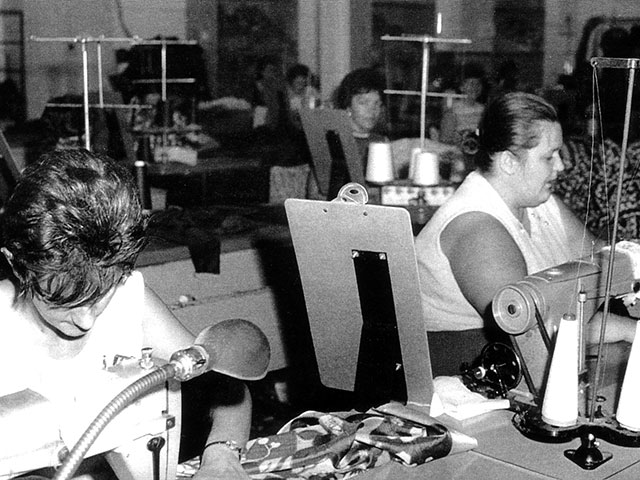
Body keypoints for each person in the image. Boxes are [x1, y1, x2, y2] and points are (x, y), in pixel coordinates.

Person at [0, 149, 252, 480]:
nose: (86, 321)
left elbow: (230, 392)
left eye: (101, 293)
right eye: (63, 300)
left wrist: (222, 457)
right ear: (18, 265)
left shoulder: (129, 299)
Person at [415, 92, 637, 377]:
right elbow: (533, 333)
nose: (561, 165)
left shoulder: (538, 202)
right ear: (509, 162)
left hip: (532, 358)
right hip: (467, 373)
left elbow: (605, 259)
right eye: (549, 156)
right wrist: (630, 329)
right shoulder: (476, 229)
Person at [439, 63, 488, 146]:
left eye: (478, 84)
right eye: (471, 84)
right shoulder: (453, 109)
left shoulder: (483, 109)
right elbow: (445, 139)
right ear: (461, 87)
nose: (475, 87)